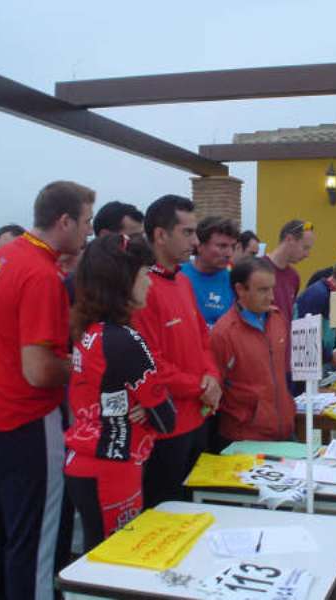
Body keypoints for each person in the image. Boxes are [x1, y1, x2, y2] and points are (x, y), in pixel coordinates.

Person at [0, 181, 94, 600]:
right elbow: (38, 370)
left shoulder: (1, 258)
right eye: (86, 222)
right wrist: (84, 366)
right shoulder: (41, 275)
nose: (89, 232)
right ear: (64, 221)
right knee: (35, 539)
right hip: (25, 419)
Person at [65, 234, 176, 551]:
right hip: (113, 464)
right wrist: (147, 405)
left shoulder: (90, 329)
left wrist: (139, 403)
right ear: (123, 281)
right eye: (144, 275)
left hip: (85, 458)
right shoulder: (125, 339)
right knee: (115, 558)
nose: (150, 284)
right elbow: (166, 418)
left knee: (97, 553)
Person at [132, 195, 221, 508]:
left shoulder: (182, 282)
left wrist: (212, 376)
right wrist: (200, 385)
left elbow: (203, 340)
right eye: (187, 233)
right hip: (166, 429)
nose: (195, 242)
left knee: (196, 510)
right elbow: (149, 363)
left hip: (199, 417)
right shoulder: (142, 288)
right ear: (160, 235)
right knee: (166, 512)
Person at [210, 257, 295, 446]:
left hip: (283, 427)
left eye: (272, 288)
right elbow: (216, 387)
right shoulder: (224, 333)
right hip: (244, 436)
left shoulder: (277, 319)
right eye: (263, 290)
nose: (271, 297)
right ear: (240, 289)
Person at [181, 216, 239, 328]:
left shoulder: (235, 280)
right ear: (199, 245)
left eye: (233, 246)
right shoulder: (177, 276)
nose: (229, 253)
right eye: (222, 246)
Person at [264, 219, 315, 326]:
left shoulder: (294, 277)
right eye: (305, 247)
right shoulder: (258, 270)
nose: (307, 254)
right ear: (289, 239)